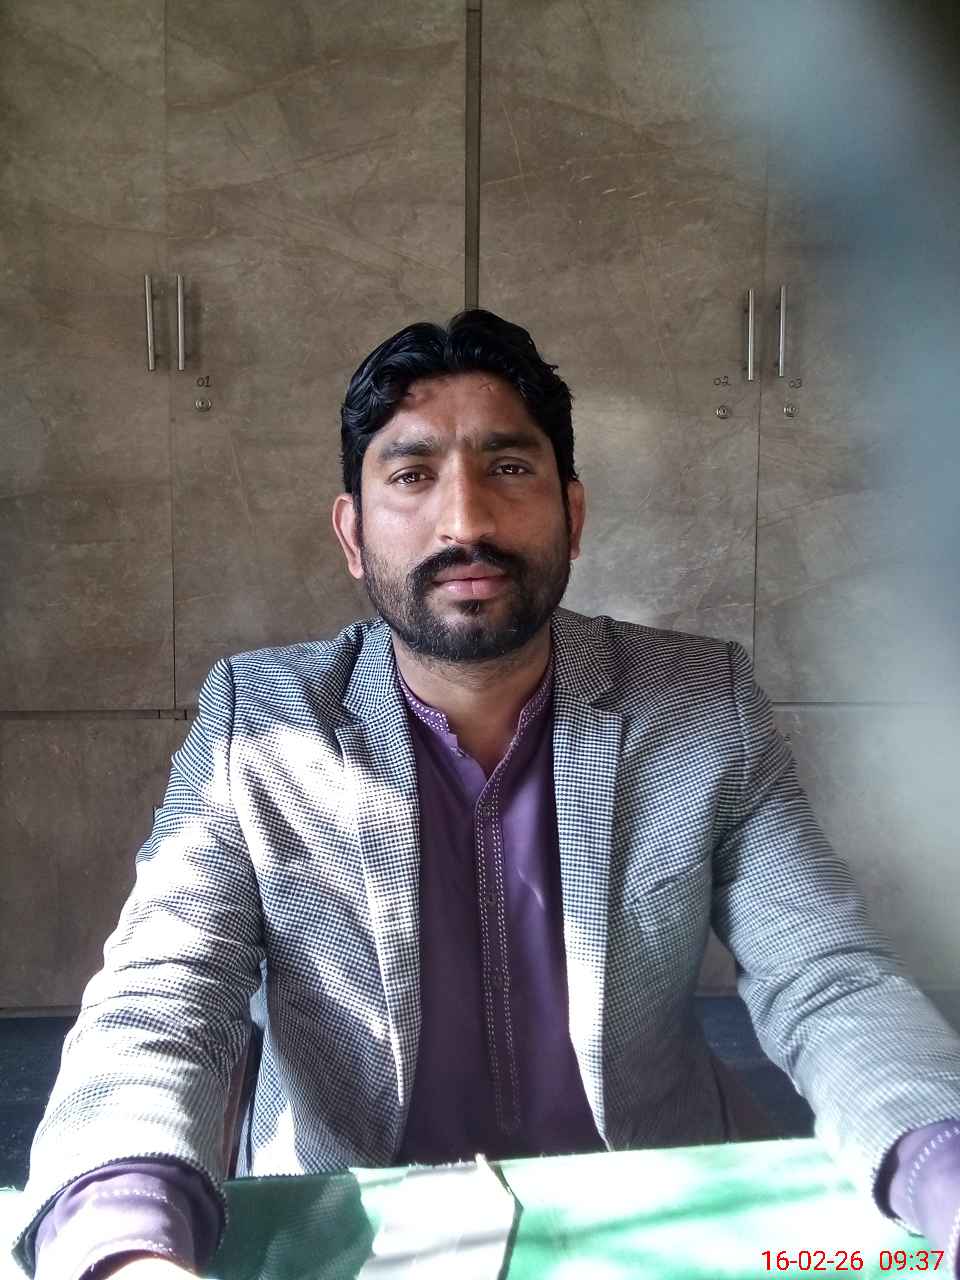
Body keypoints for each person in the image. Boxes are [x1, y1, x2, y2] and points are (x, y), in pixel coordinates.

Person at [10, 311, 960, 1280]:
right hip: (349, 1228)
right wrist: (122, 1236)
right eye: (411, 475)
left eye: (508, 468)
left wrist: (943, 1163)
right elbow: (162, 993)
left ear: (573, 516)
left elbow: (826, 976)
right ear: (352, 534)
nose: (464, 522)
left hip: (649, 1211)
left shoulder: (699, 704)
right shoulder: (259, 720)